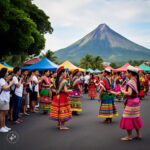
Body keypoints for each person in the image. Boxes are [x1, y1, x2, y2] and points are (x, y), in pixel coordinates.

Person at [120, 65, 143, 141]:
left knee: (128, 118)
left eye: (127, 72)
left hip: (131, 102)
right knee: (135, 117)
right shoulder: (136, 80)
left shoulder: (130, 82)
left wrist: (123, 91)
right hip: (136, 101)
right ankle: (138, 134)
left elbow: (129, 93)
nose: (126, 74)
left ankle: (129, 136)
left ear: (130, 73)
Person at [0, 68, 14, 133]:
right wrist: (10, 84)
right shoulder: (1, 80)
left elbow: (8, 79)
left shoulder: (3, 79)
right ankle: (1, 127)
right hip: (2, 99)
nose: (8, 73)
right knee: (2, 113)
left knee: (5, 112)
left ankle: (4, 125)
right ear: (4, 73)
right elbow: (4, 88)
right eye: (7, 72)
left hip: (5, 98)